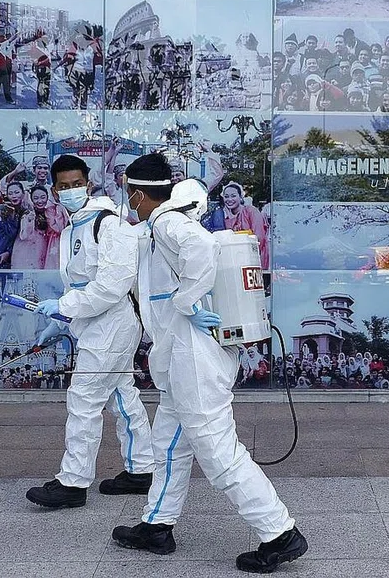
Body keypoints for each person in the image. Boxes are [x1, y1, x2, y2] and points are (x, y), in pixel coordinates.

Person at [112, 154, 307, 573]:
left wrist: (186, 303)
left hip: (194, 358)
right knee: (168, 445)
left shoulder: (167, 222)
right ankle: (156, 525)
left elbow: (201, 250)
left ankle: (279, 532)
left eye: (129, 194)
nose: (129, 201)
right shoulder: (161, 225)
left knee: (218, 451)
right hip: (183, 358)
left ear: (138, 194)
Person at [26, 154, 154, 509]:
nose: (70, 190)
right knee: (122, 396)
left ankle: (73, 482)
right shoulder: (72, 229)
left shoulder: (109, 224)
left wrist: (63, 307)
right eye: (63, 186)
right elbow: (79, 286)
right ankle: (142, 469)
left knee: (84, 399)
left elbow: (112, 286)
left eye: (77, 184)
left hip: (113, 323)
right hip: (94, 324)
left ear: (89, 184)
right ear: (54, 191)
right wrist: (57, 322)